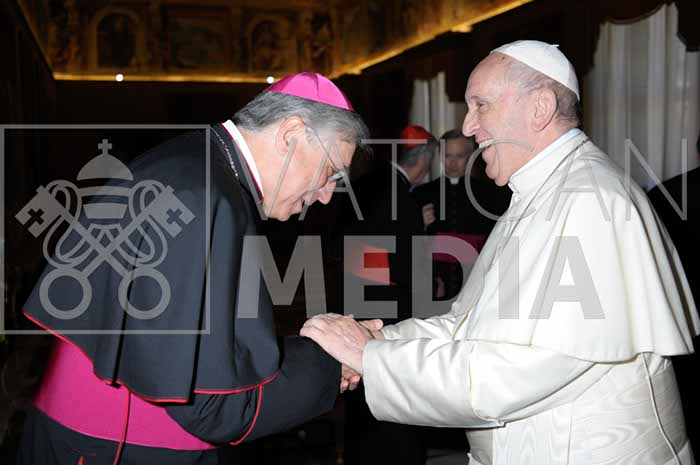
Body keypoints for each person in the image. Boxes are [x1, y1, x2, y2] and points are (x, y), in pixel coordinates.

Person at [302, 41, 700, 465]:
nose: (468, 125)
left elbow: (516, 372)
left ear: (539, 108)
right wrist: (379, 339)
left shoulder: (588, 201)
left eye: (481, 105)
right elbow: (469, 326)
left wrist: (371, 357)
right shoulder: (541, 192)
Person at [17, 72, 371, 465]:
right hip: (121, 446)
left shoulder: (195, 164)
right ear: (291, 135)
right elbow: (212, 405)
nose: (326, 196)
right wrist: (332, 360)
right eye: (330, 172)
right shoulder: (203, 196)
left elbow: (209, 355)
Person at [341, 125, 436, 465]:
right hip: (391, 307)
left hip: (356, 299)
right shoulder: (404, 199)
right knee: (394, 388)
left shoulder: (365, 184)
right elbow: (409, 263)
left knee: (360, 382)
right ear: (423, 160)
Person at [413, 130, 511, 300]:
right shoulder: (422, 194)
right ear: (440, 155)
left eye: (459, 156)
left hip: (475, 278)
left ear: (470, 156)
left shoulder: (490, 195)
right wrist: (419, 223)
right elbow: (411, 244)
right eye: (447, 156)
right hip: (434, 280)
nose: (452, 163)